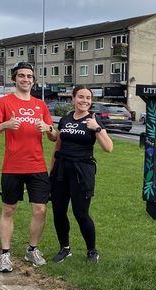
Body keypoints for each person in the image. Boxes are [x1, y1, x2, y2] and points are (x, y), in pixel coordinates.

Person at [0, 62, 57, 272]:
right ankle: (5, 254)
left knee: (40, 209)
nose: (26, 80)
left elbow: (53, 137)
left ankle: (32, 249)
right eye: (22, 76)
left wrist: (49, 128)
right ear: (14, 79)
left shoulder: (40, 105)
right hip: (12, 166)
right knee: (9, 209)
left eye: (29, 77)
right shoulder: (4, 103)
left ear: (34, 81)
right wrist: (5, 125)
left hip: (37, 165)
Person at [50, 85, 113, 263]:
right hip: (61, 171)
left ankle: (92, 251)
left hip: (82, 172)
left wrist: (96, 129)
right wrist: (51, 171)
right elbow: (57, 146)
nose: (84, 101)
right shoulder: (65, 119)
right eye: (81, 97)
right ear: (73, 98)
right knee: (59, 211)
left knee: (81, 213)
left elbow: (108, 148)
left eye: (88, 98)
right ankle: (65, 248)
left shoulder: (94, 120)